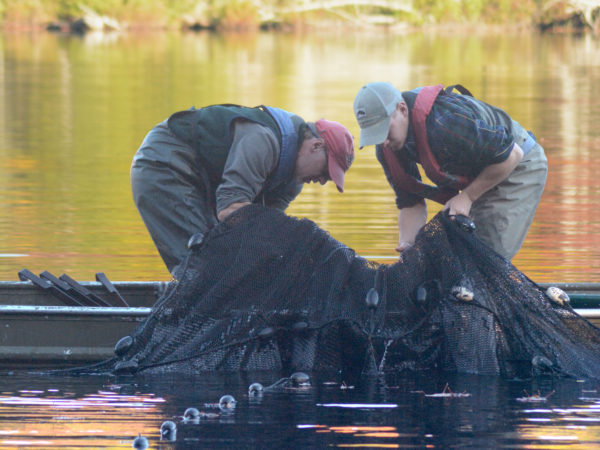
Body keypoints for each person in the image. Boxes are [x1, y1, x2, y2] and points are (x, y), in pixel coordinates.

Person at [130, 103, 354, 275]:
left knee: (227, 262)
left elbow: (262, 228)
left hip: (200, 182)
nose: (323, 181)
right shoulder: (262, 141)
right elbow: (230, 209)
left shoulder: (292, 182)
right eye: (327, 170)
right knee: (203, 265)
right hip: (163, 164)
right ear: (316, 146)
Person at [353, 82, 547, 261]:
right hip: (485, 171)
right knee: (454, 259)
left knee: (486, 256)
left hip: (519, 163)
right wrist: (408, 245)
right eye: (375, 135)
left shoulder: (444, 123)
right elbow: (410, 202)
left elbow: (513, 154)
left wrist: (468, 197)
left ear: (402, 109)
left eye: (384, 130)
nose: (383, 142)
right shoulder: (388, 147)